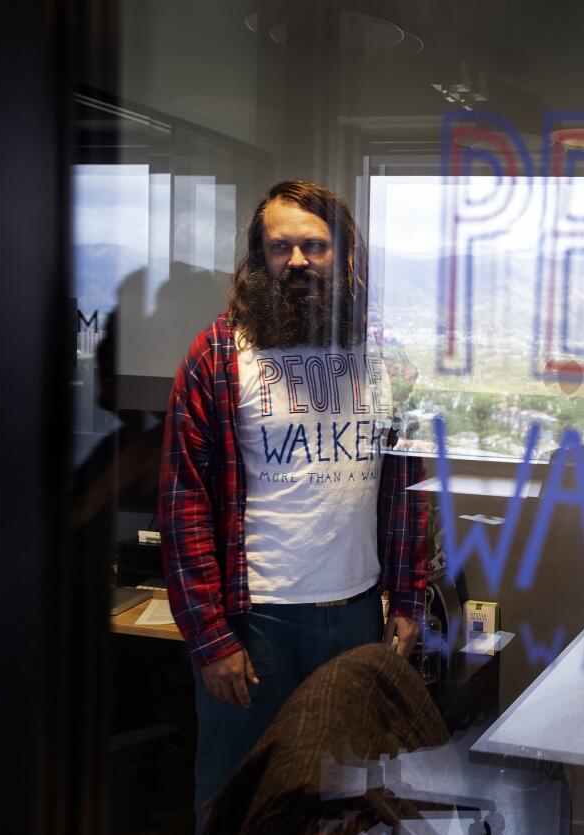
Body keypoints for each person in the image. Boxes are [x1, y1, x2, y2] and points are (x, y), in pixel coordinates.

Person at [159, 180, 429, 830]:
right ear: (259, 259)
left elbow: (405, 494)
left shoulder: (384, 360)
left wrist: (410, 598)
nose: (299, 260)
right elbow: (182, 505)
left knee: (344, 807)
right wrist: (211, 638)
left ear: (348, 258)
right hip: (256, 630)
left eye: (315, 245)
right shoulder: (218, 356)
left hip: (356, 618)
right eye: (281, 247)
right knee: (238, 805)